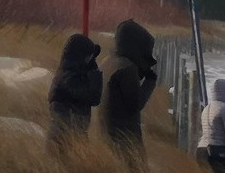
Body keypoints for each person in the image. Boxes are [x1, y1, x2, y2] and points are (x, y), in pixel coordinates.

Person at [99, 19, 157, 164]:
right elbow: (134, 104)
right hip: (125, 136)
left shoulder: (107, 62)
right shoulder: (127, 68)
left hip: (106, 130)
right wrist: (150, 82)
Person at [47, 33, 103, 152]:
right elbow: (94, 98)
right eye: (88, 57)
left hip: (71, 136)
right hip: (64, 139)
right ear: (79, 57)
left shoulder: (71, 73)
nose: (90, 60)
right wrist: (95, 76)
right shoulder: (68, 78)